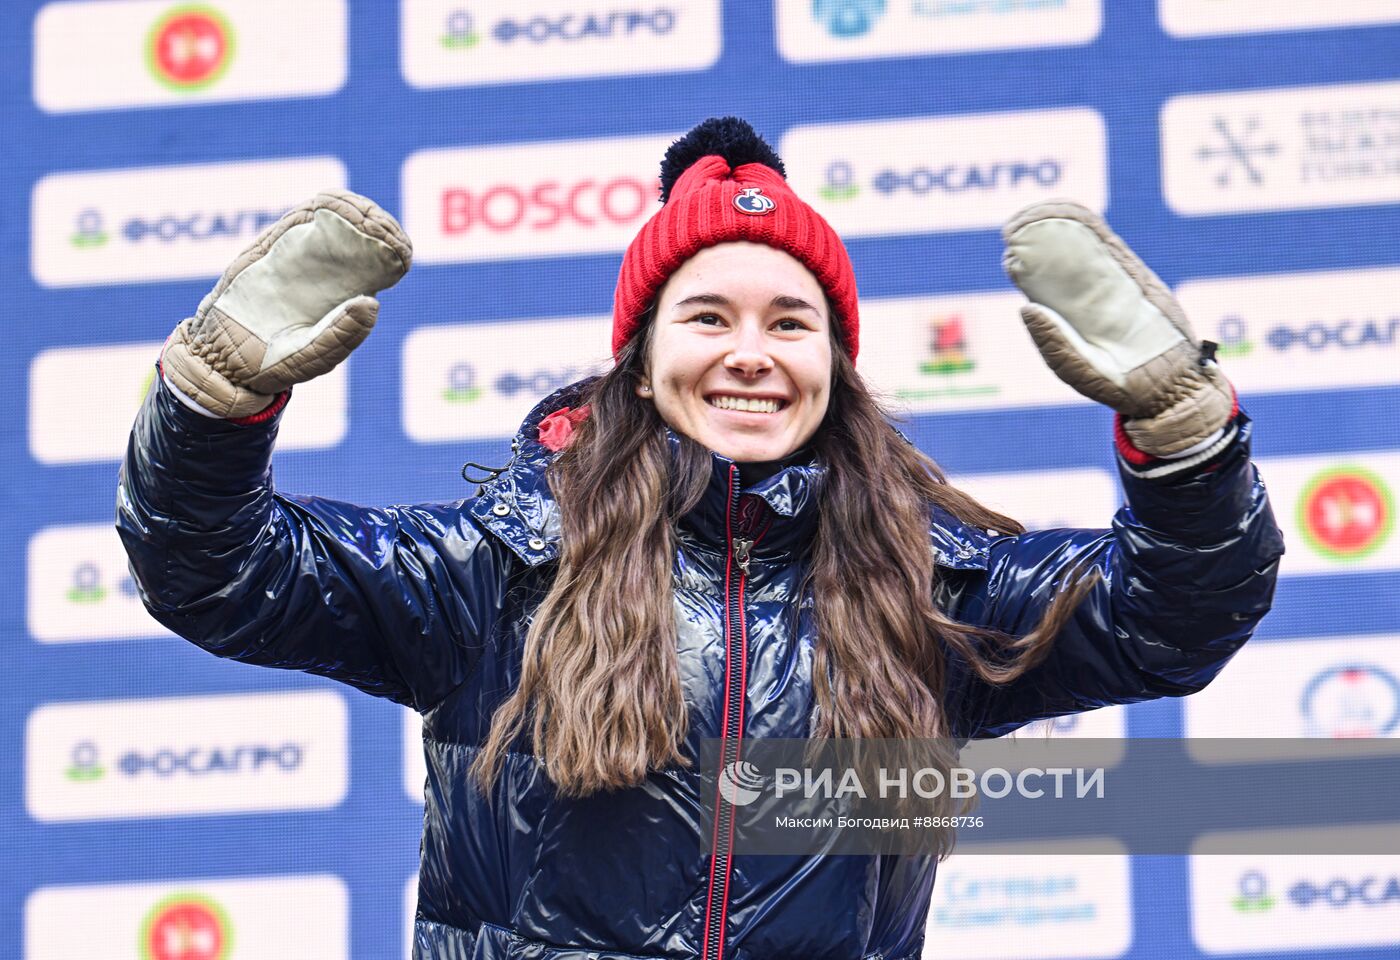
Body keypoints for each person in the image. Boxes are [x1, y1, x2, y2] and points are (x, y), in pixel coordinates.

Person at [118, 117, 1284, 960]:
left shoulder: (923, 583)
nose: (750, 351)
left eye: (791, 320)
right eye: (707, 316)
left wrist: (1180, 435)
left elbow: (1171, 613)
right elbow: (214, 567)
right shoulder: (503, 562)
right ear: (639, 352)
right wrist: (213, 404)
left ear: (833, 361)